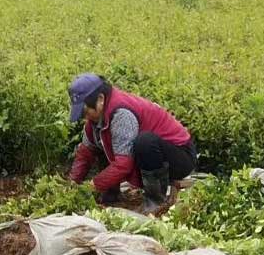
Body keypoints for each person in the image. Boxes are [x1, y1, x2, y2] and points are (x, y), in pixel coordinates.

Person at [67, 73, 197, 213]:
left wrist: (92, 185)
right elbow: (86, 153)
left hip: (180, 155)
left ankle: (156, 200)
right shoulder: (96, 122)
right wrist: (71, 185)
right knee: (103, 141)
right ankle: (111, 195)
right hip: (155, 154)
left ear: (100, 99)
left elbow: (123, 165)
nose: (85, 118)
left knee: (144, 142)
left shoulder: (121, 114)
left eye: (86, 112)